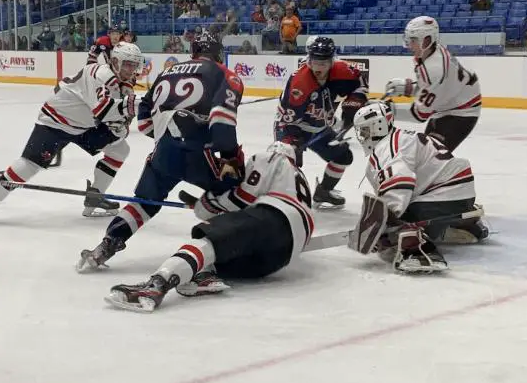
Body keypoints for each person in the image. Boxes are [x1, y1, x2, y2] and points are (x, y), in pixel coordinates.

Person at [76, 33, 245, 272]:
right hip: (198, 149)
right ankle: (231, 252)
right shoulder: (225, 74)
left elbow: (144, 122)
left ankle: (106, 246)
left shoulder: (168, 72)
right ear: (218, 53)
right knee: (235, 196)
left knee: (144, 203)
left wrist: (171, 137)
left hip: (164, 150)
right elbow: (222, 121)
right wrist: (228, 156)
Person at [103, 142, 314, 312]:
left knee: (207, 240)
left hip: (273, 216)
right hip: (283, 255)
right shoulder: (298, 179)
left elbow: (243, 197)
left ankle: (157, 284)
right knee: (226, 253)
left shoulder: (271, 158)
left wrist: (209, 203)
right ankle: (203, 276)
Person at [0, 42, 144, 218]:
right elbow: (103, 111)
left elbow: (111, 113)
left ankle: (95, 195)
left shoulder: (119, 79)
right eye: (128, 64)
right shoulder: (103, 75)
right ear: (115, 61)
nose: (131, 69)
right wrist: (134, 105)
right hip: (56, 121)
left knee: (120, 150)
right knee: (30, 164)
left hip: (84, 125)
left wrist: (121, 119)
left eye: (135, 65)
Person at [350, 102, 488, 273]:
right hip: (460, 194)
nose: (363, 136)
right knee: (402, 213)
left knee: (397, 225)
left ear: (378, 126)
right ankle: (465, 225)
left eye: (365, 130)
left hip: (443, 195)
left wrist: (385, 224)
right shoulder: (401, 137)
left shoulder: (388, 147)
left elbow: (400, 183)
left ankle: (418, 252)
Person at [274, 37, 368, 208]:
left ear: (332, 61)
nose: (318, 68)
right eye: (315, 62)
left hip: (320, 128)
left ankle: (323, 191)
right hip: (293, 126)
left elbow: (360, 85)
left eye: (323, 63)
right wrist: (295, 143)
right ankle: (279, 202)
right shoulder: (300, 83)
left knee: (343, 156)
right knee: (287, 164)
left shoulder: (343, 71)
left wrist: (354, 102)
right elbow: (288, 120)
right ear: (309, 59)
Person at [384, 16, 481, 153]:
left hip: (461, 113)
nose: (410, 45)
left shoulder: (434, 68)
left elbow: (419, 115)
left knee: (431, 159)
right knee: (425, 157)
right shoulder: (431, 53)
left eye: (414, 40)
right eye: (409, 40)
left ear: (428, 40)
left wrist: (388, 109)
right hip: (448, 105)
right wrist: (412, 88)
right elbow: (437, 88)